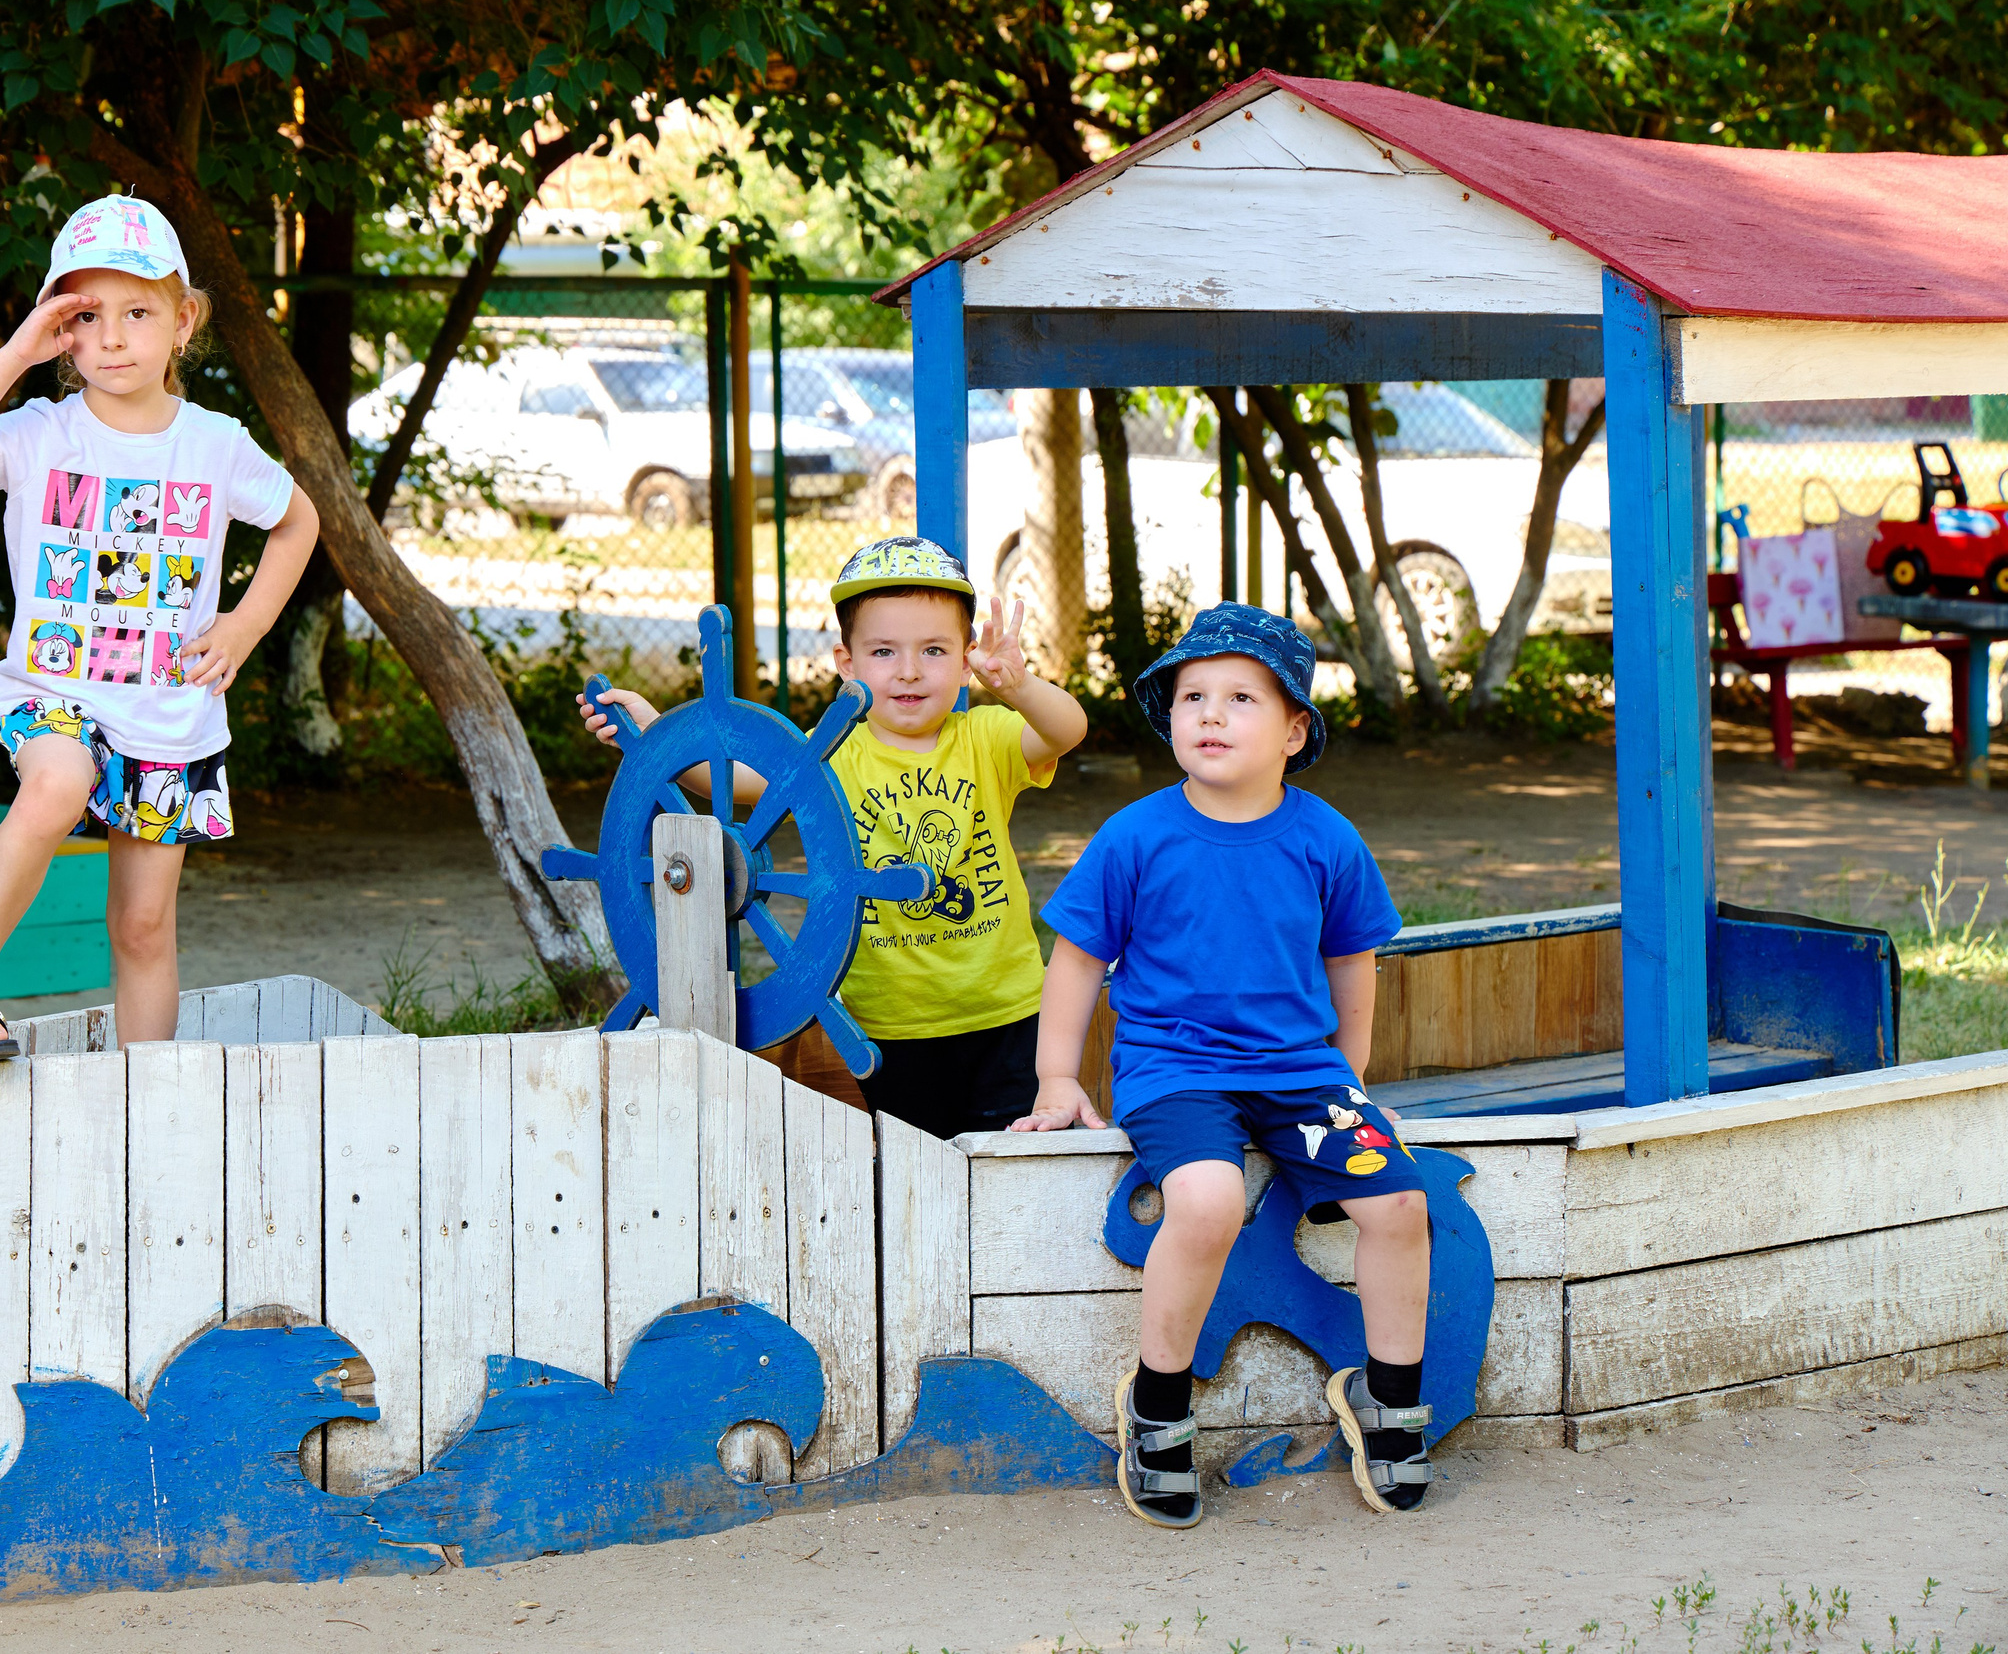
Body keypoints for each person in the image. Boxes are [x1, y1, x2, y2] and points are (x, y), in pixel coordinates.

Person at [1015, 604, 1430, 1526]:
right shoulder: (1135, 836)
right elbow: (1077, 958)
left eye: (1239, 697)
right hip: (1177, 1072)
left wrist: (1349, 1080)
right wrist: (1057, 1076)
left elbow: (1353, 960)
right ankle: (1158, 1406)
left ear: (1292, 731)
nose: (1209, 712)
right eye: (1191, 695)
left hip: (1302, 1075)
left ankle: (1389, 1396)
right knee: (1205, 1201)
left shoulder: (1325, 838)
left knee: (1399, 1202)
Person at [0, 195, 320, 1063]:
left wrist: (245, 624)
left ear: (183, 320)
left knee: (142, 925)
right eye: (88, 316)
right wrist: (18, 350)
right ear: (63, 328)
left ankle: (149, 1098)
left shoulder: (213, 443)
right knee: (58, 781)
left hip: (170, 719)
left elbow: (299, 522)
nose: (117, 337)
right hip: (55, 693)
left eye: (139, 312)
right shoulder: (41, 433)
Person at [578, 535, 1087, 1137]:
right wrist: (656, 733)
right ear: (847, 663)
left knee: (1014, 1164)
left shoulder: (987, 737)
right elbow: (741, 780)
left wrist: (1018, 689)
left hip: (1007, 1011)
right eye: (883, 651)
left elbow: (1067, 731)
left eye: (933, 649)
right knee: (918, 1171)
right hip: (888, 1021)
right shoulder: (832, 754)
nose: (909, 670)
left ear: (966, 657)